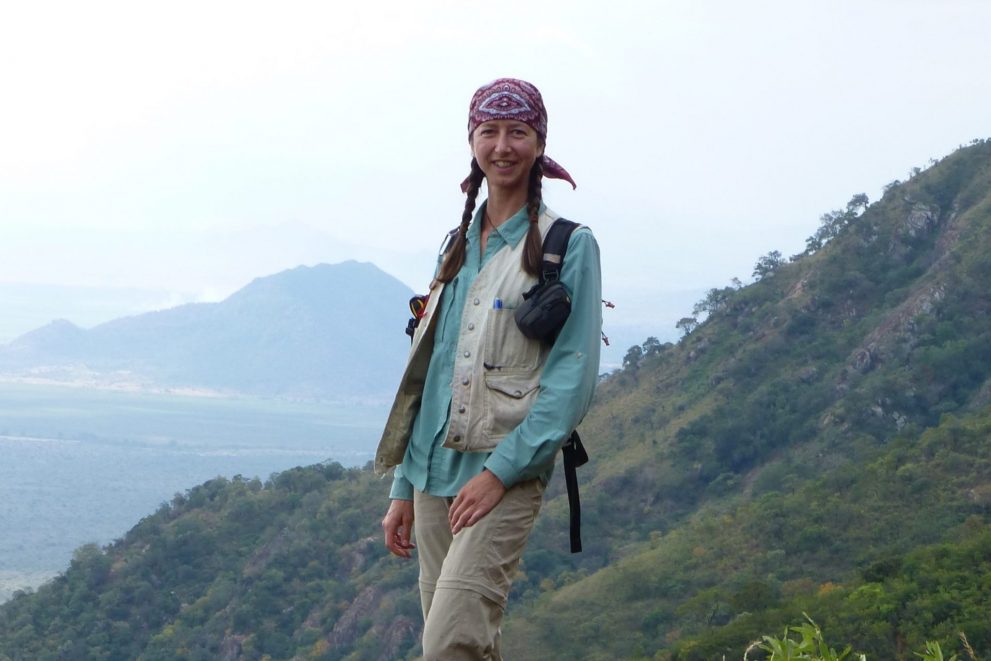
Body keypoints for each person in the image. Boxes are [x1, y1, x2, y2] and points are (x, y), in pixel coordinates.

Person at [376, 77, 602, 660]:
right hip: (431, 476)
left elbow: (571, 380)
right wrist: (404, 484)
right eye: (490, 131)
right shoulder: (455, 245)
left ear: (539, 144)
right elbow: (427, 370)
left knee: (450, 643)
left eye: (518, 132)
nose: (503, 146)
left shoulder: (566, 246)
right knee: (465, 643)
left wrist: (500, 472)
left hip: (503, 473)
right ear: (472, 142)